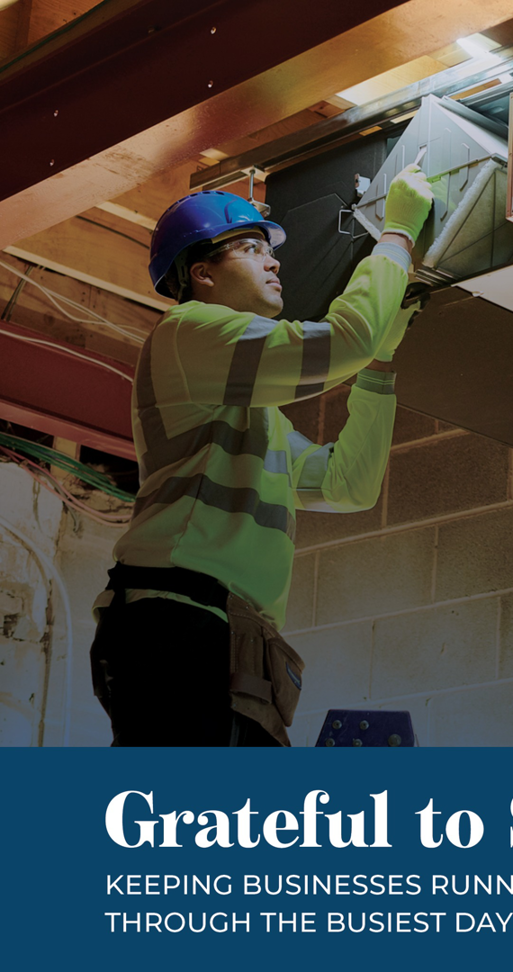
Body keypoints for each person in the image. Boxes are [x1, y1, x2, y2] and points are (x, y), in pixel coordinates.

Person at [88, 165, 434, 747]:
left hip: (225, 631)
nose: (274, 261)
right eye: (251, 248)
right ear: (201, 273)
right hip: (177, 618)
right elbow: (343, 340)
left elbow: (347, 485)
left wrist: (378, 368)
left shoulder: (252, 418)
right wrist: (396, 234)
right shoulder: (186, 333)